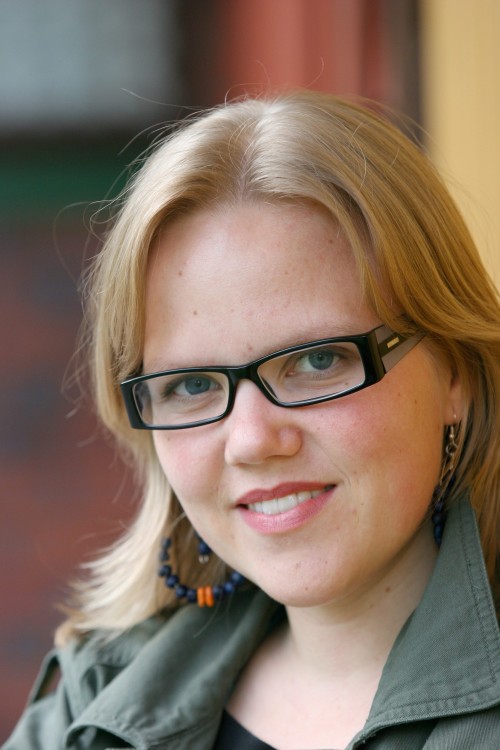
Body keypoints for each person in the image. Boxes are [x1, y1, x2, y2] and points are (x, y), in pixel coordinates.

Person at [4, 89, 499, 750]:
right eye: (192, 385)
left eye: (318, 361)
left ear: (455, 372)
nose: (253, 441)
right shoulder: (93, 704)